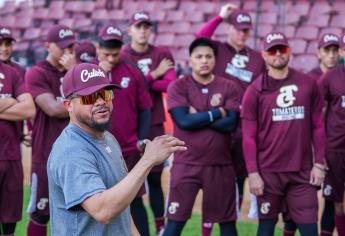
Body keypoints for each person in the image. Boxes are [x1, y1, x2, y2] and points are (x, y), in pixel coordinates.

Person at [47, 62, 186, 236]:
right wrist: (148, 160)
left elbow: (122, 211)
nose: (100, 102)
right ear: (68, 105)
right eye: (89, 97)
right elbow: (102, 211)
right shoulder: (71, 150)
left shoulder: (108, 138)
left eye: (105, 94)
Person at [241, 32, 326, 236]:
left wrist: (319, 164)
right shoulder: (254, 90)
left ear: (290, 51)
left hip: (302, 173)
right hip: (268, 174)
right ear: (264, 54)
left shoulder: (308, 83)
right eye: (272, 50)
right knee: (266, 230)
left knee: (309, 230)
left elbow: (318, 125)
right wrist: (253, 173)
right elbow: (248, 136)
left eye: (282, 49)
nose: (278, 53)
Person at [196, 5, 266, 234]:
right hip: (218, 125)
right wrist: (220, 16)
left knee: (237, 180)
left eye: (246, 30)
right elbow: (200, 39)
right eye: (238, 28)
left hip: (244, 127)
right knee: (212, 180)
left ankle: (231, 225)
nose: (242, 34)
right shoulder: (216, 49)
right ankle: (206, 229)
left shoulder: (257, 59)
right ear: (229, 28)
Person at [163, 37, 241, 236]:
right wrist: (216, 113)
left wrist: (197, 115)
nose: (204, 60)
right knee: (174, 224)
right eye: (199, 56)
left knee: (227, 226)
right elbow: (184, 122)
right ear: (190, 60)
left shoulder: (229, 87)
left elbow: (231, 124)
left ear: (215, 60)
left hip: (220, 166)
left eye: (208, 56)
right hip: (186, 164)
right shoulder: (178, 87)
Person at [121, 11, 176, 234]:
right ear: (130, 30)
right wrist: (155, 75)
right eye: (138, 26)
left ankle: (161, 226)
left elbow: (170, 85)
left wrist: (145, 81)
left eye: (146, 26)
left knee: (154, 178)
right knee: (131, 182)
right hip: (129, 126)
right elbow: (144, 84)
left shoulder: (162, 52)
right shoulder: (123, 54)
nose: (142, 30)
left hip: (153, 123)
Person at [96, 24, 153, 236]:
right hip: (97, 151)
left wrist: (141, 139)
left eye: (115, 53)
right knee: (99, 201)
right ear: (97, 49)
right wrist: (101, 74)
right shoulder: (90, 73)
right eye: (106, 54)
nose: (111, 59)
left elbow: (145, 108)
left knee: (135, 200)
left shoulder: (132, 71)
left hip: (128, 151)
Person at [283, 33, 340, 236]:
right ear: (318, 53)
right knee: (300, 200)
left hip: (335, 148)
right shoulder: (308, 79)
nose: (331, 56)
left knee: (332, 199)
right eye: (327, 51)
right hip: (309, 149)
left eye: (335, 50)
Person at [25, 24, 76, 236]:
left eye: (71, 46)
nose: (68, 51)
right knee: (41, 213)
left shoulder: (77, 69)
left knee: (75, 212)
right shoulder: (37, 73)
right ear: (48, 46)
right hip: (45, 154)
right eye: (62, 46)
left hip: (75, 154)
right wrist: (75, 75)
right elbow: (54, 109)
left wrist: (74, 71)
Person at [0, 61, 35, 235]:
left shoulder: (12, 73)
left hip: (12, 155)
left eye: (7, 43)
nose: (4, 47)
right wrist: (11, 101)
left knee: (10, 222)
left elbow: (29, 109)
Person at [318, 50, 345, 236]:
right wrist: (319, 149)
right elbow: (317, 111)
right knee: (335, 203)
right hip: (335, 149)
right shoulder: (331, 77)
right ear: (343, 51)